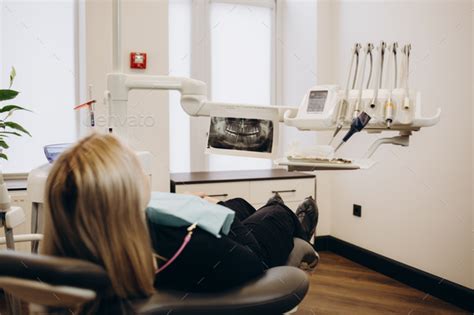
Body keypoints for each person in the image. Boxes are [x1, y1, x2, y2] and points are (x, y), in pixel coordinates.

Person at [41, 133, 318, 313]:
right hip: (251, 253)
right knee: (276, 214)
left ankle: (261, 211)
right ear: (127, 194)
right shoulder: (179, 243)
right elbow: (252, 262)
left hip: (207, 247)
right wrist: (211, 212)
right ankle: (298, 227)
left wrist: (202, 206)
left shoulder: (83, 251)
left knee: (239, 204)